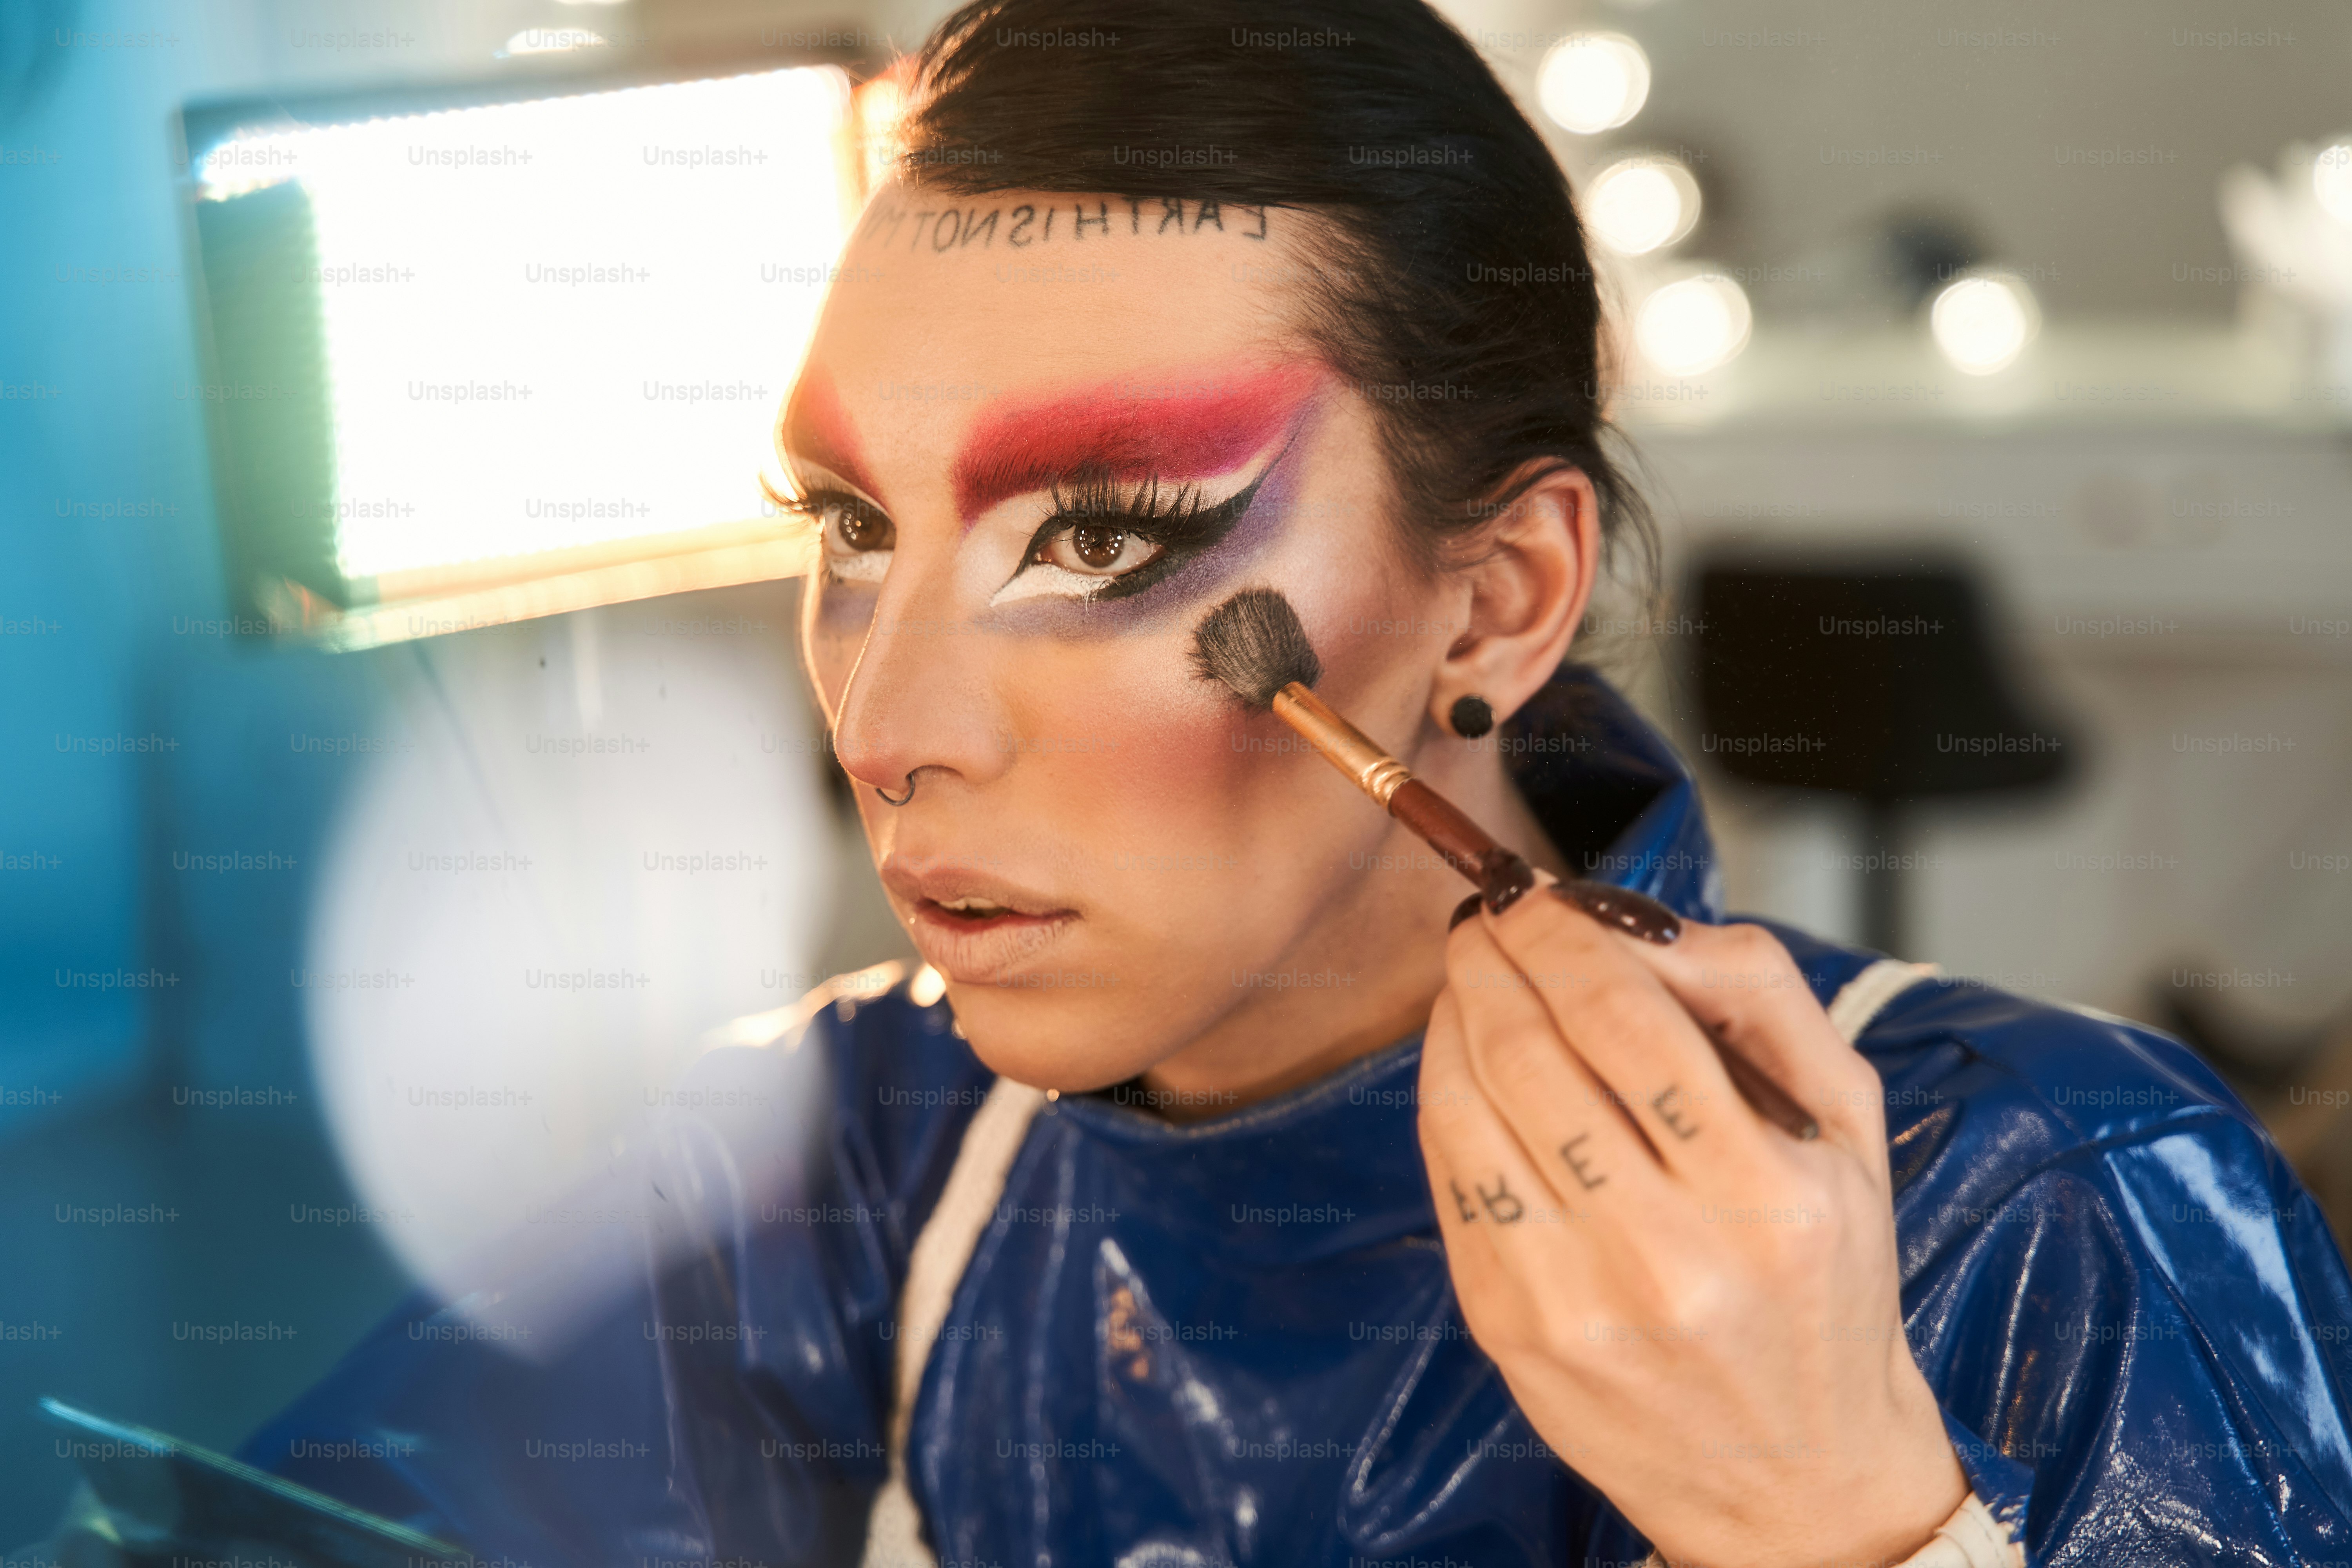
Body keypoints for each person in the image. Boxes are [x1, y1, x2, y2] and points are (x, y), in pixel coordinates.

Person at [219, 2, 2352, 1564]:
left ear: (1499, 603)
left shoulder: (2046, 1208)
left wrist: (1840, 1517)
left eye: (1100, 537)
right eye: (853, 528)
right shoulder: (838, 1164)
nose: (886, 717)